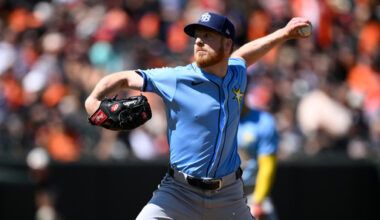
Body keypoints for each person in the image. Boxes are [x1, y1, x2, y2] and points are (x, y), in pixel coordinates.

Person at [85, 12, 311, 220]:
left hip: (229, 196)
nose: (199, 41)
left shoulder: (236, 72)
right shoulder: (176, 78)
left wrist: (283, 33)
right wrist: (92, 101)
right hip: (179, 193)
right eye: (196, 36)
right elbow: (124, 78)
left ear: (227, 43)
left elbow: (246, 54)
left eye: (208, 35)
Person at [237, 108, 279, 220]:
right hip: (222, 191)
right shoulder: (217, 119)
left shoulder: (263, 121)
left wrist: (258, 200)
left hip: (252, 190)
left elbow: (267, 166)